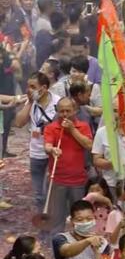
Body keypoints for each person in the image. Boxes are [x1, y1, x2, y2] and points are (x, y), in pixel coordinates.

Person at [43, 96, 93, 235]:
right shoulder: (51, 127)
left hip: (78, 180)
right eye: (61, 111)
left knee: (80, 218)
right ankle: (58, 248)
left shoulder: (83, 126)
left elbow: (88, 145)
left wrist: (72, 130)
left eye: (68, 111)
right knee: (57, 220)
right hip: (57, 180)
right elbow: (47, 145)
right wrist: (52, 149)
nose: (64, 114)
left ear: (75, 110)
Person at [14, 72, 60, 210]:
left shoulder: (58, 102)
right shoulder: (31, 103)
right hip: (36, 151)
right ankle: (42, 220)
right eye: (28, 86)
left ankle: (54, 216)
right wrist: (30, 102)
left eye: (33, 87)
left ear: (44, 88)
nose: (29, 90)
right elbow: (19, 123)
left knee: (52, 190)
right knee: (38, 193)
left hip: (54, 151)